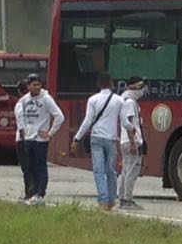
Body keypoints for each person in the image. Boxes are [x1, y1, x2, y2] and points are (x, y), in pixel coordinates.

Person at [74, 72, 124, 210]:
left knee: (98, 170)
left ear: (98, 84)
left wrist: (77, 138)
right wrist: (132, 135)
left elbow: (88, 121)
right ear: (112, 83)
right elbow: (125, 121)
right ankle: (112, 199)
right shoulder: (119, 100)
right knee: (111, 170)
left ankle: (102, 200)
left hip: (96, 138)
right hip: (112, 139)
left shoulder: (93, 100)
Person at [13, 73, 64, 206]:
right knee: (30, 167)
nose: (37, 87)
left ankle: (40, 193)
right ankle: (33, 193)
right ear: (28, 86)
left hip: (40, 140)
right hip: (28, 138)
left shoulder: (46, 99)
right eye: (34, 85)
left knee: (40, 166)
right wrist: (23, 134)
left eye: (39, 84)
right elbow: (21, 117)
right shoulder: (24, 100)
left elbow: (59, 116)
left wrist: (50, 133)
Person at [118, 76, 147, 210]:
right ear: (133, 87)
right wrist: (133, 142)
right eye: (140, 86)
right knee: (131, 172)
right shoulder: (129, 102)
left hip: (126, 140)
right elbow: (128, 122)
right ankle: (127, 200)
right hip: (130, 141)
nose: (142, 90)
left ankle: (122, 198)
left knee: (125, 171)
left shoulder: (124, 99)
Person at [13, 78, 33, 200]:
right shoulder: (36, 101)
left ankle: (29, 192)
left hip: (23, 139)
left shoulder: (20, 103)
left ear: (20, 91)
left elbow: (20, 122)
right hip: (34, 138)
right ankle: (34, 191)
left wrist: (24, 138)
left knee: (26, 167)